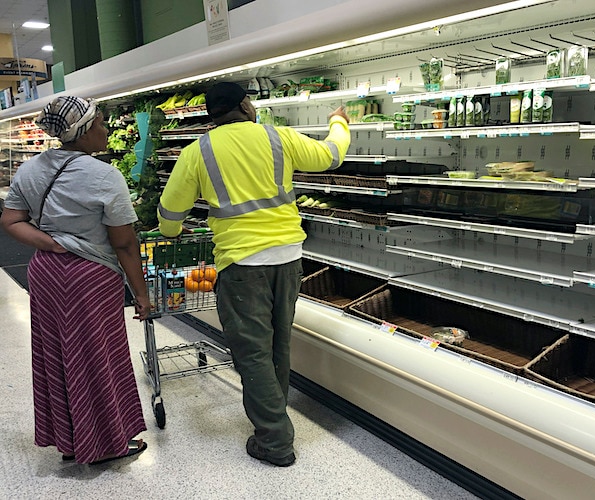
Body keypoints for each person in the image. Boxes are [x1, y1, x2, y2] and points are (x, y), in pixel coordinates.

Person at [157, 81, 350, 466]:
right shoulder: (279, 138)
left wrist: (177, 230)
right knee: (277, 343)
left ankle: (274, 440)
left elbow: (168, 219)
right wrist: (339, 123)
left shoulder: (198, 152)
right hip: (288, 257)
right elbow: (331, 156)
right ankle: (274, 419)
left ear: (211, 114)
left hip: (242, 264)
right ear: (246, 106)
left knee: (252, 352)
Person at [0, 96, 150, 465]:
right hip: (90, 277)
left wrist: (49, 242)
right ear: (82, 131)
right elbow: (124, 243)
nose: (104, 129)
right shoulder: (104, 175)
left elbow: (11, 220)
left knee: (58, 356)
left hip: (47, 272)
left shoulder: (31, 170)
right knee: (98, 357)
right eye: (99, 122)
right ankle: (103, 445)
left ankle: (71, 439)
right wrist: (142, 296)